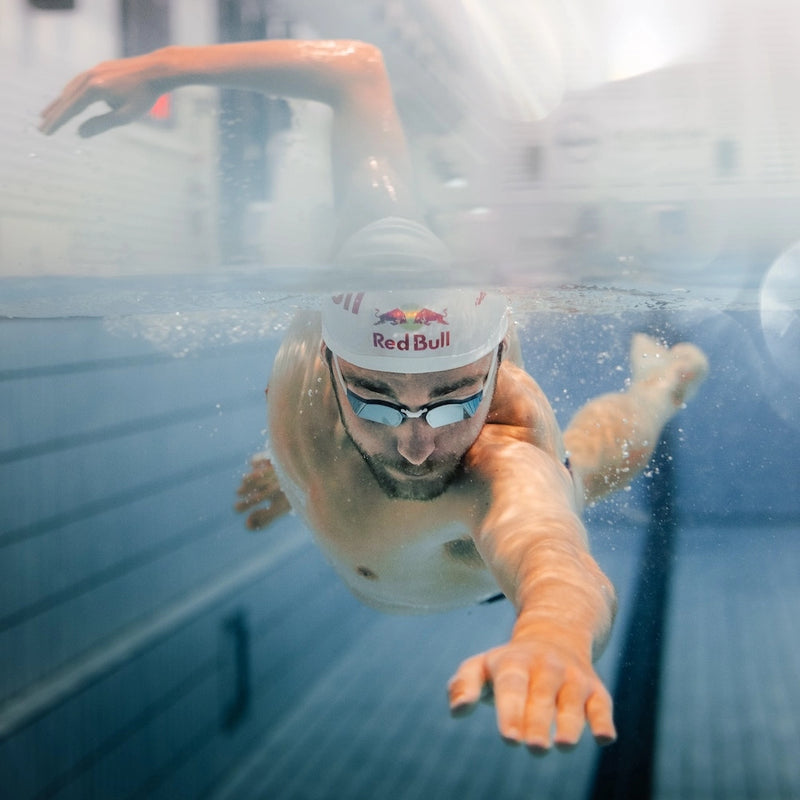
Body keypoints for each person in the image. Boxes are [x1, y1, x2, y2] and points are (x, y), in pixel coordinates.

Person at [40, 39, 709, 753]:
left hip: (469, 568)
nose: (419, 445)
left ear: (491, 371)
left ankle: (661, 386)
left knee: (586, 464)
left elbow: (560, 568)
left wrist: (553, 641)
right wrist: (162, 65)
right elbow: (354, 69)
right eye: (378, 402)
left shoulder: (503, 465)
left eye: (455, 402)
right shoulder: (364, 252)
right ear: (327, 367)